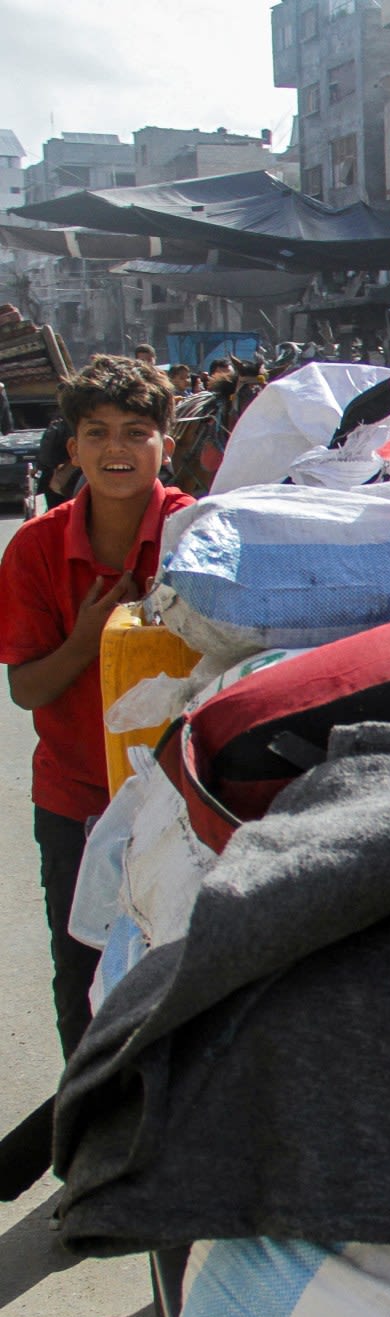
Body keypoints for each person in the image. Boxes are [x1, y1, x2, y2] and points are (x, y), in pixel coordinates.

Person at [0, 356, 194, 1059]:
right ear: (72, 447)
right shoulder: (35, 549)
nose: (117, 449)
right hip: (77, 798)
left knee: (184, 983)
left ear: (166, 445)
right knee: (82, 982)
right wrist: (88, 640)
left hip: (184, 801)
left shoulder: (202, 533)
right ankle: (88, 1143)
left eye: (136, 432)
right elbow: (27, 689)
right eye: (98, 432)